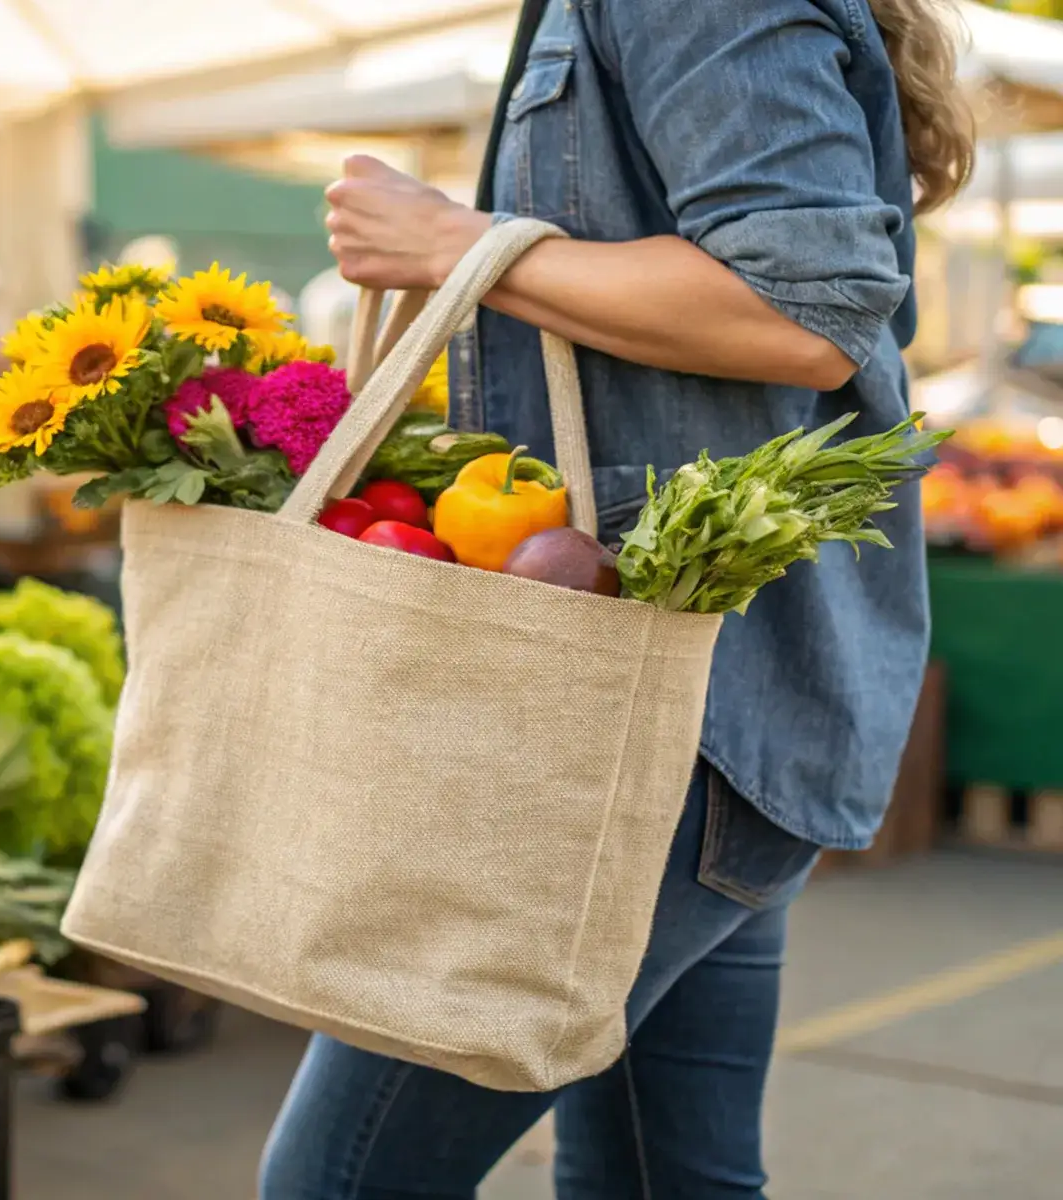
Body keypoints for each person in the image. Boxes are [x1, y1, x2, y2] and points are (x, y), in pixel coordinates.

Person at [261, 1, 973, 1196]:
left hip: (656, 715)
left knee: (337, 1181)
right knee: (657, 1179)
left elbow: (805, 307)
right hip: (713, 691)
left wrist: (455, 242)